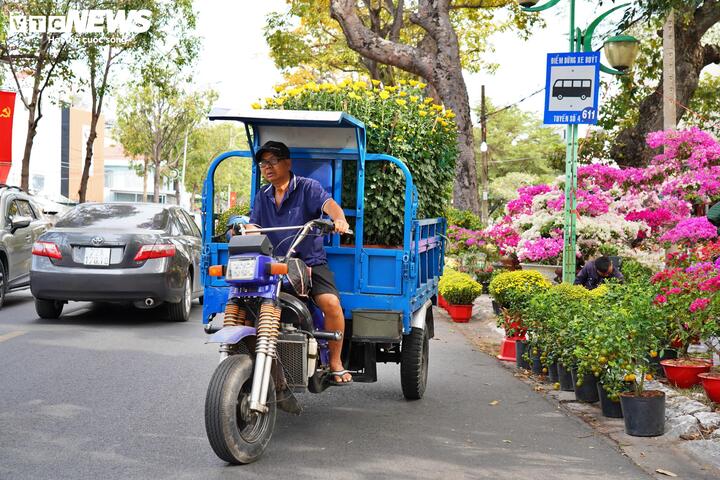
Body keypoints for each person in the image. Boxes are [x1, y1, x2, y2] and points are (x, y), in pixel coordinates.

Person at [247, 141, 353, 385]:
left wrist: (339, 219)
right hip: (274, 264)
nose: (267, 167)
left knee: (331, 303)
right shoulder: (262, 196)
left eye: (273, 161)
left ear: (287, 163)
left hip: (308, 262)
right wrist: (245, 230)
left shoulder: (308, 187)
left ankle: (335, 361)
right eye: (263, 163)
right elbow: (255, 224)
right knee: (246, 302)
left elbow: (330, 205)